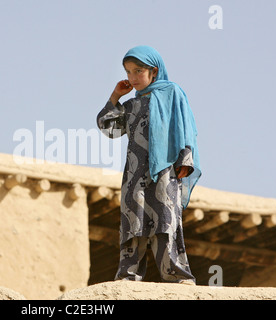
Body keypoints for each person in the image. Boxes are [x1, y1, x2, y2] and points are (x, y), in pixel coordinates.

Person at [96, 45, 201, 285]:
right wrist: (115, 97)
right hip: (135, 173)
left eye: (138, 71)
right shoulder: (132, 105)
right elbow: (108, 128)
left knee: (165, 218)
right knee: (134, 220)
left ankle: (176, 275)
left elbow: (184, 125)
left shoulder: (172, 92)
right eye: (128, 72)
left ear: (154, 71)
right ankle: (128, 275)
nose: (132, 78)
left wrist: (185, 159)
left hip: (165, 169)